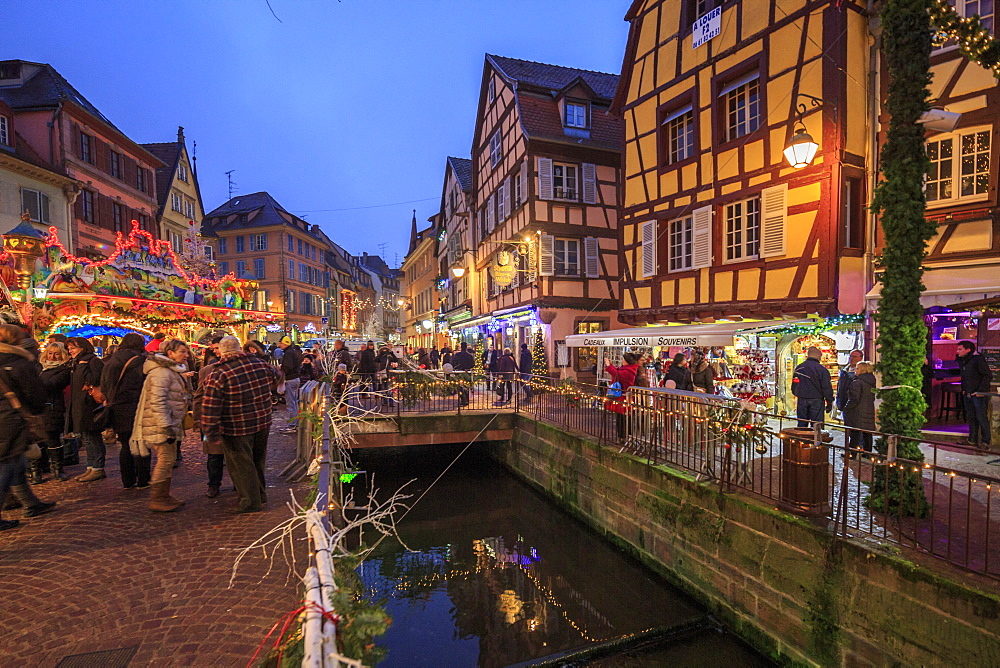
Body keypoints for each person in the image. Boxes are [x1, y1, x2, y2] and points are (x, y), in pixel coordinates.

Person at [201, 336, 281, 514]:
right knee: (257, 460)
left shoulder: (220, 373)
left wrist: (210, 431)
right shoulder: (260, 364)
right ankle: (260, 494)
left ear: (222, 351)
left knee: (241, 464)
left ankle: (250, 501)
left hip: (235, 426)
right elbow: (277, 376)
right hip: (262, 420)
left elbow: (210, 405)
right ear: (239, 349)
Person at [0, 324, 57, 531]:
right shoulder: (18, 361)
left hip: (5, 416)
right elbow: (34, 393)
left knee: (15, 463)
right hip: (11, 417)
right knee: (8, 464)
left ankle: (31, 503)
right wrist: (36, 410)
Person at [131, 339, 192, 512]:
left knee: (168, 459)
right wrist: (166, 426)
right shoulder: (162, 373)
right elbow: (158, 402)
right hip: (161, 425)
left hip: (169, 423)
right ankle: (157, 498)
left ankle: (164, 495)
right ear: (170, 353)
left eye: (186, 352)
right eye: (182, 351)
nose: (186, 355)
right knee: (165, 460)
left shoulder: (170, 371)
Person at [100, 333, 149, 489]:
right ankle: (143, 479)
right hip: (136, 405)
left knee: (125, 444)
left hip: (117, 406)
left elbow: (104, 385)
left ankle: (127, 480)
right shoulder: (140, 361)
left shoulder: (111, 360)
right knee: (140, 443)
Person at [66, 337, 106, 482]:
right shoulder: (75, 362)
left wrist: (82, 367)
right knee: (87, 437)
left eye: (73, 348)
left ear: (83, 347)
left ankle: (98, 467)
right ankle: (90, 466)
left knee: (93, 437)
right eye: (69, 348)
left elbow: (95, 379)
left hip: (89, 404)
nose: (70, 351)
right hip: (79, 404)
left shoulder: (92, 361)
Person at [193, 345, 225, 498]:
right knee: (213, 455)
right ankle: (213, 484)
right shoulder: (207, 370)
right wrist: (198, 418)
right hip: (211, 419)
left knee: (234, 455)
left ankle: (238, 485)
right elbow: (199, 395)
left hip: (231, 419)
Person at [38, 342, 73, 482]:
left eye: (56, 354)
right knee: (37, 440)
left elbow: (53, 384)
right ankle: (37, 470)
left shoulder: (64, 370)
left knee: (52, 438)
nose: (52, 356)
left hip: (53, 407)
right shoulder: (39, 367)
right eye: (50, 353)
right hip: (38, 408)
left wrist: (32, 384)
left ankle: (58, 469)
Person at [956, 341, 992, 449]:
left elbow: (987, 376)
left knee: (981, 417)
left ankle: (986, 442)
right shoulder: (963, 361)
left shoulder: (978, 359)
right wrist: (964, 389)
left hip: (978, 394)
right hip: (968, 393)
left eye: (960, 349)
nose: (957, 351)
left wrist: (981, 391)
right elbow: (965, 376)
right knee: (971, 417)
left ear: (968, 350)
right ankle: (972, 440)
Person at [792, 346, 834, 428]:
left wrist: (797, 393)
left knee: (802, 423)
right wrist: (829, 401)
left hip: (802, 398)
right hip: (816, 399)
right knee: (817, 425)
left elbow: (795, 383)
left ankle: (802, 439)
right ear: (818, 356)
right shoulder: (822, 369)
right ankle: (816, 440)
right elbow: (826, 387)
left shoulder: (799, 368)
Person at [843, 361, 876, 457]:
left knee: (855, 433)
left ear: (862, 370)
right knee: (867, 433)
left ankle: (852, 453)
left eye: (857, 368)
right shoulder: (871, 381)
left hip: (857, 411)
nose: (855, 370)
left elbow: (854, 399)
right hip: (868, 409)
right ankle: (867, 453)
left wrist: (846, 409)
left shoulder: (857, 382)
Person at [605, 353, 640, 442]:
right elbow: (617, 372)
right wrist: (610, 365)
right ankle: (622, 436)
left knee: (624, 418)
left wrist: (609, 365)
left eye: (624, 360)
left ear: (628, 361)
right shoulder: (626, 368)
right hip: (621, 397)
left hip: (625, 397)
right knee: (620, 417)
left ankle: (626, 436)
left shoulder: (630, 370)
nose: (622, 361)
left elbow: (617, 374)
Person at [278, 336, 303, 434]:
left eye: (281, 343)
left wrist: (281, 367)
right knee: (294, 402)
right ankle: (295, 423)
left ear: (285, 343)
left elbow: (288, 367)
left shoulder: (288, 353)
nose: (279, 344)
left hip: (290, 379)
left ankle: (292, 425)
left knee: (291, 403)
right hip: (295, 379)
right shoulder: (292, 352)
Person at [836, 350, 864, 416]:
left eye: (854, 356)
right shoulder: (844, 371)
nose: (851, 358)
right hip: (844, 403)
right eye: (851, 356)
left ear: (861, 358)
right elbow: (840, 387)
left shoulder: (861, 373)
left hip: (855, 406)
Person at [451, 342, 475, 407]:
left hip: (459, 372)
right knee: (466, 386)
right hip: (467, 372)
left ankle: (463, 400)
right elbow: (473, 364)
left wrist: (457, 368)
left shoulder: (457, 355)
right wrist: (468, 368)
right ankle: (466, 399)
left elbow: (453, 362)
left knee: (460, 387)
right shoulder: (469, 355)